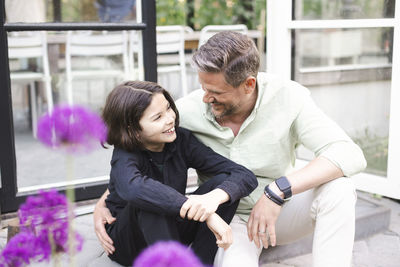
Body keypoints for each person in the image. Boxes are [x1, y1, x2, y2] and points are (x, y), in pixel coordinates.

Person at [94, 32, 367, 267]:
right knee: (153, 201)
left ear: (249, 84)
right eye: (203, 87)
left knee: (340, 189)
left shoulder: (289, 98)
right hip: (230, 219)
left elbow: (349, 154)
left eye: (215, 91)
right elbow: (134, 168)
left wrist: (278, 191)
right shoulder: (183, 113)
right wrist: (105, 201)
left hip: (277, 212)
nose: (205, 97)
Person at [99, 80, 257, 266]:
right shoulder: (124, 154)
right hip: (129, 242)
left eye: (168, 108)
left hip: (171, 226)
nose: (169, 118)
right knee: (149, 202)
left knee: (222, 185)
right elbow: (133, 190)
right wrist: (207, 214)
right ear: (133, 130)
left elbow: (244, 175)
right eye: (157, 117)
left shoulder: (181, 140)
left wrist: (212, 200)